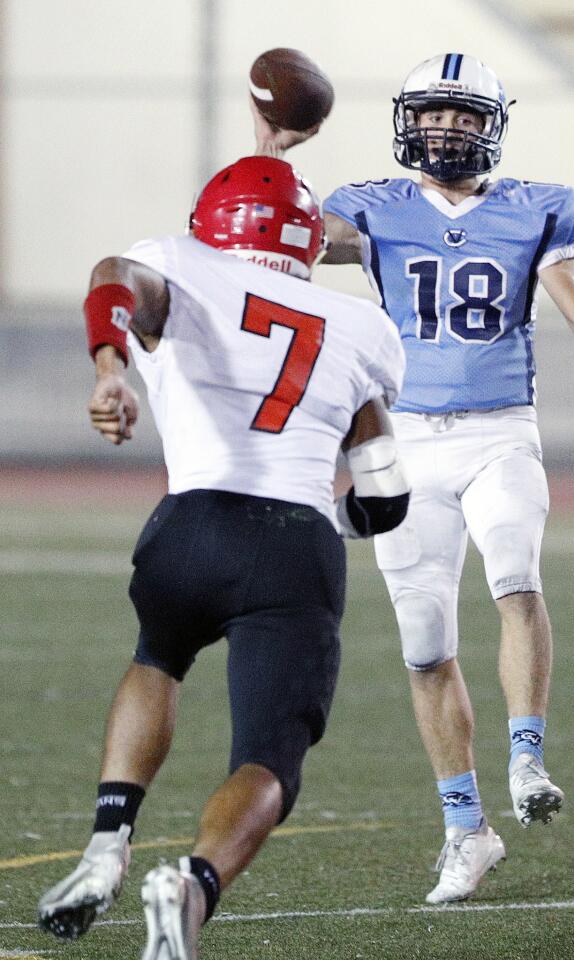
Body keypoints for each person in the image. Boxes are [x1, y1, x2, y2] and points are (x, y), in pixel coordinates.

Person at [37, 156, 409, 959]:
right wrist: (329, 525)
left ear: (214, 221)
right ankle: (194, 886)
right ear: (306, 242)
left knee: (158, 656)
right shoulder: (358, 329)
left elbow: (112, 278)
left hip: (189, 522)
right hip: (293, 544)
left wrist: (110, 369)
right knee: (270, 755)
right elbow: (385, 495)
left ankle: (108, 843)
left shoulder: (180, 264)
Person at [320, 53, 574, 904]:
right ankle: (465, 828)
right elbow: (312, 239)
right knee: (424, 646)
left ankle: (527, 756)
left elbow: (562, 278)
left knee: (514, 575)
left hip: (497, 430)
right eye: (432, 112)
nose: (444, 128)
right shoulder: (369, 205)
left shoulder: (538, 207)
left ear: (490, 123)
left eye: (460, 114)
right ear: (407, 118)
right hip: (404, 439)